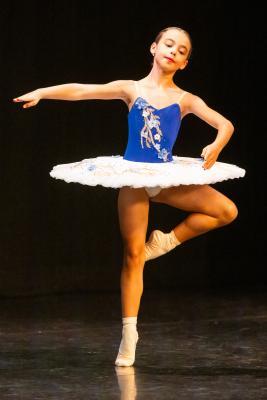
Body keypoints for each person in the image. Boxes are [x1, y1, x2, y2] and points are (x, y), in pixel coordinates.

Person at [13, 26, 245, 367]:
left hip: (166, 177)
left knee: (226, 210)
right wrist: (42, 92)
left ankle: (166, 242)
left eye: (181, 51)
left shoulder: (186, 100)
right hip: (133, 178)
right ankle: (130, 333)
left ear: (184, 63)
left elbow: (225, 125)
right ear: (153, 47)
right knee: (133, 255)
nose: (173, 51)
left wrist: (216, 144)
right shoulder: (131, 89)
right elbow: (82, 91)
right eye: (168, 44)